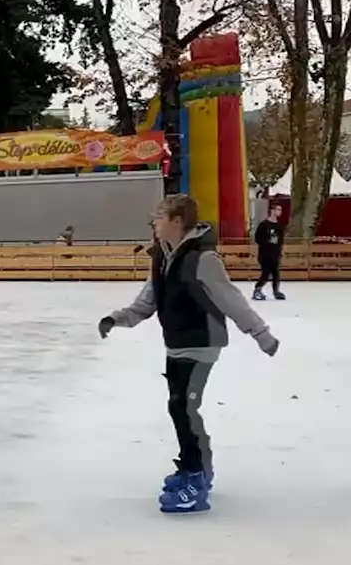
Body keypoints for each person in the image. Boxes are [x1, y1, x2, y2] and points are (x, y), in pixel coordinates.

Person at [98, 194, 279, 514]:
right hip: (177, 344)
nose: (154, 221)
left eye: (159, 215)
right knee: (181, 409)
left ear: (177, 221)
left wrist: (261, 335)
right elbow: (145, 304)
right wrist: (116, 318)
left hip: (203, 343)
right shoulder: (162, 257)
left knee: (183, 407)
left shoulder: (203, 260)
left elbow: (231, 300)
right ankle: (196, 469)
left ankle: (196, 479)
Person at [252, 204, 286, 301]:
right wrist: (266, 244)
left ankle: (276, 291)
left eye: (280, 210)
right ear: (272, 210)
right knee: (266, 272)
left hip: (275, 253)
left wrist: (279, 252)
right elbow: (257, 238)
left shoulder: (279, 226)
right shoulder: (264, 225)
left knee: (276, 272)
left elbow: (280, 241)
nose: (280, 212)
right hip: (265, 253)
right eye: (278, 209)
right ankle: (257, 289)